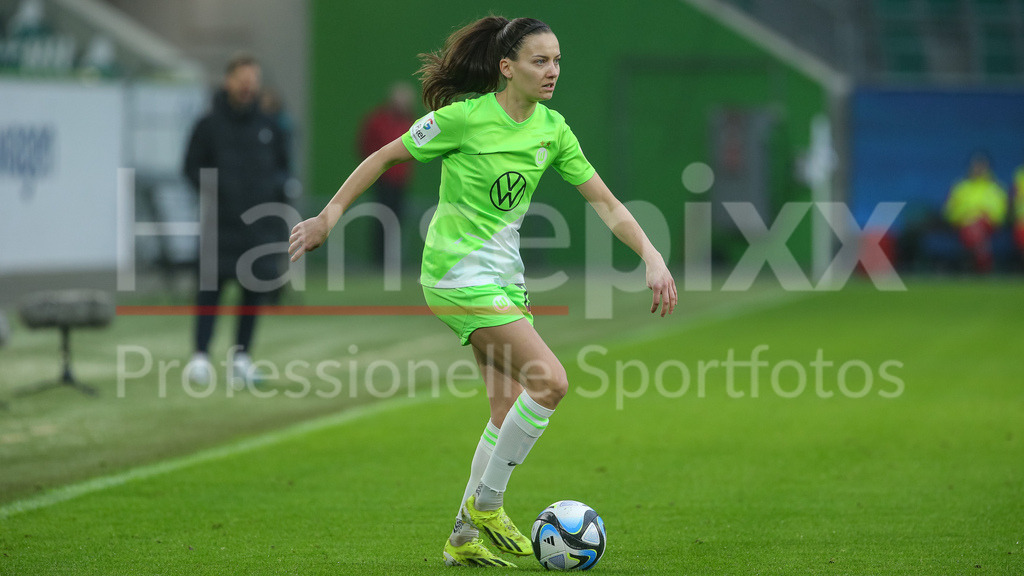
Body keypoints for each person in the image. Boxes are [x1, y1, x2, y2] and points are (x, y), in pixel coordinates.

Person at [289, 17, 677, 567]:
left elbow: (608, 205)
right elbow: (384, 157)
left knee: (504, 409)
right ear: (506, 67)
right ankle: (489, 504)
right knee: (550, 381)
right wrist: (329, 216)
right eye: (540, 61)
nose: (552, 72)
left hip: (502, 279)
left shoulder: (552, 129)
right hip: (455, 275)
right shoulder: (465, 119)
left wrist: (652, 256)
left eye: (558, 61)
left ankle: (464, 536)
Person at [183, 53, 292, 387]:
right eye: (242, 78)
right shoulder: (208, 125)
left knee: (252, 293)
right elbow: (189, 167)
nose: (248, 85)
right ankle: (200, 357)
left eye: (253, 79)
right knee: (209, 291)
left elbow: (283, 169)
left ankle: (241, 358)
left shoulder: (269, 127)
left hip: (258, 228)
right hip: (220, 225)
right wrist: (219, 192)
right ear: (228, 81)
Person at [357, 82, 417, 268]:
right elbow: (365, 145)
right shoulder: (378, 120)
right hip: (382, 179)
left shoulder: (409, 122)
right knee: (381, 219)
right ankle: (379, 261)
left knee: (397, 220)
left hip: (400, 181)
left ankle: (393, 260)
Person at [943, 152, 1008, 273]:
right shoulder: (960, 188)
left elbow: (1000, 212)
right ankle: (982, 265)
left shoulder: (996, 188)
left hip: (989, 227)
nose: (978, 169)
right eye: (976, 166)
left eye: (981, 166)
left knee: (978, 229)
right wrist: (966, 216)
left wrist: (983, 216)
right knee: (975, 230)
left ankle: (975, 265)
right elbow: (950, 212)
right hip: (963, 225)